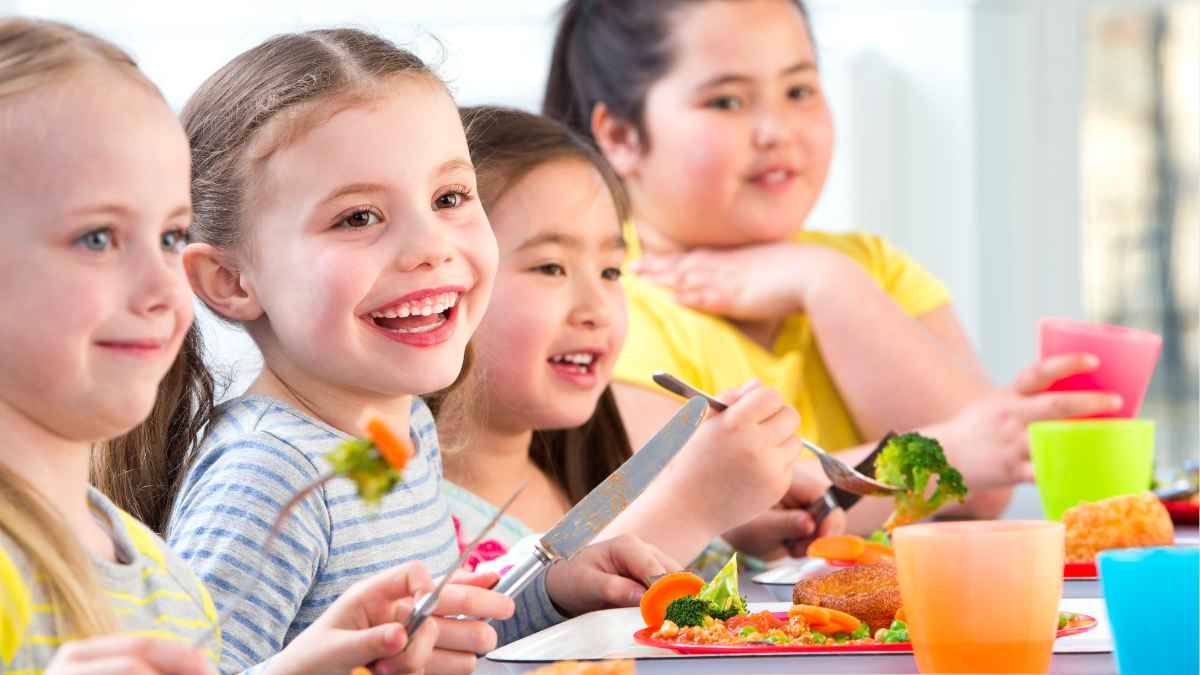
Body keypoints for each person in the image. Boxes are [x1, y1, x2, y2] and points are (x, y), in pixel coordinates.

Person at [542, 0, 1122, 535]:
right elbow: (699, 509)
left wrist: (826, 283)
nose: (778, 131)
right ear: (620, 135)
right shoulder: (604, 302)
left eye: (799, 90)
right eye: (727, 101)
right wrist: (948, 452)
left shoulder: (869, 268)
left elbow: (984, 486)